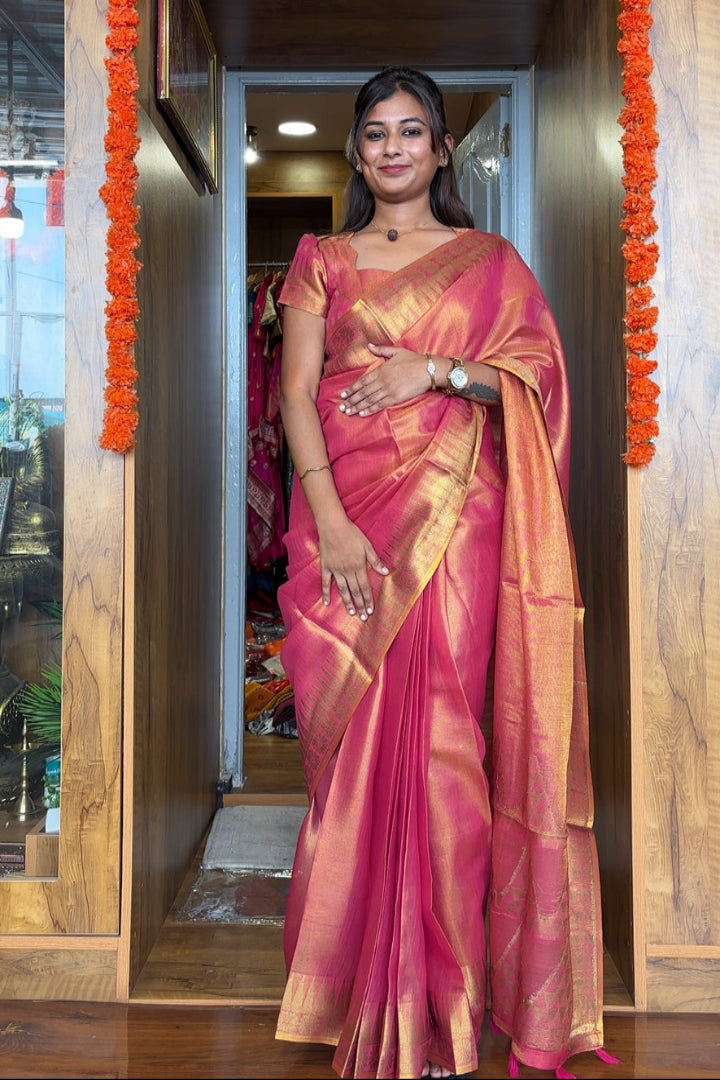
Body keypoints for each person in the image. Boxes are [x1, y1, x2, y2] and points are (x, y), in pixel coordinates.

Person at [274, 67, 606, 1080]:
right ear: (357, 149)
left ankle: (449, 1005)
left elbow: (539, 383)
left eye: (412, 131)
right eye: (375, 132)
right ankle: (362, 993)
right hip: (351, 527)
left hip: (462, 531)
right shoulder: (322, 260)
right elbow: (295, 400)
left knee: (450, 756)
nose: (393, 148)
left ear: (444, 148)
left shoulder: (490, 261)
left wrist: (441, 371)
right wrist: (330, 521)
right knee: (360, 756)